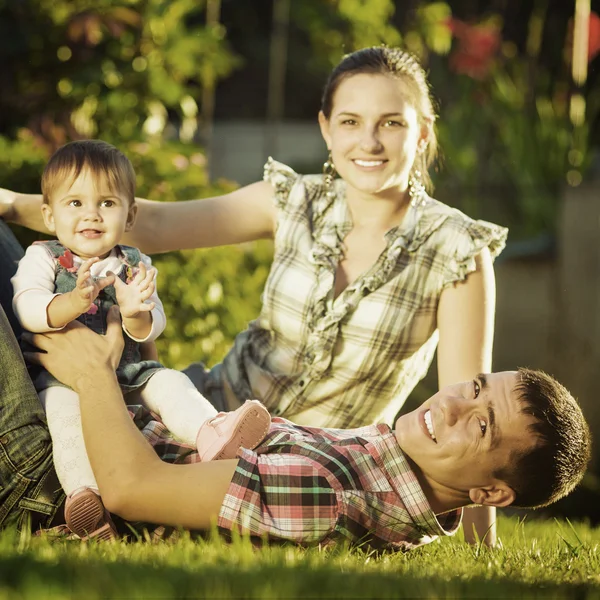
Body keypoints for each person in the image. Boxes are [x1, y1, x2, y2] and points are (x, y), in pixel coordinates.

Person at [0, 47, 508, 543]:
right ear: (327, 128)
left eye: (392, 123)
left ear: (422, 133)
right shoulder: (293, 199)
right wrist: (14, 204)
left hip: (292, 468)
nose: (369, 141)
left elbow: (466, 408)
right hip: (200, 417)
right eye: (351, 121)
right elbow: (148, 224)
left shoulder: (457, 249)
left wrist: (479, 538)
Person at [22, 308, 591, 551]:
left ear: (490, 494)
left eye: (482, 425)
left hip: (49, 472)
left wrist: (92, 371)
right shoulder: (385, 460)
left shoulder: (326, 498)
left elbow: (129, 489)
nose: (450, 407)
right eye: (474, 388)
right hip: (94, 419)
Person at [9, 140, 271, 540]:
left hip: (130, 372)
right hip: (60, 378)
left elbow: (152, 325)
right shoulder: (42, 257)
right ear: (49, 214)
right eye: (75, 203)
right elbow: (27, 307)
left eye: (107, 204)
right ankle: (84, 495)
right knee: (63, 419)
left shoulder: (134, 262)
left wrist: (135, 311)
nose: (91, 215)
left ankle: (212, 432)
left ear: (130, 214)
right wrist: (72, 301)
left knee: (170, 382)